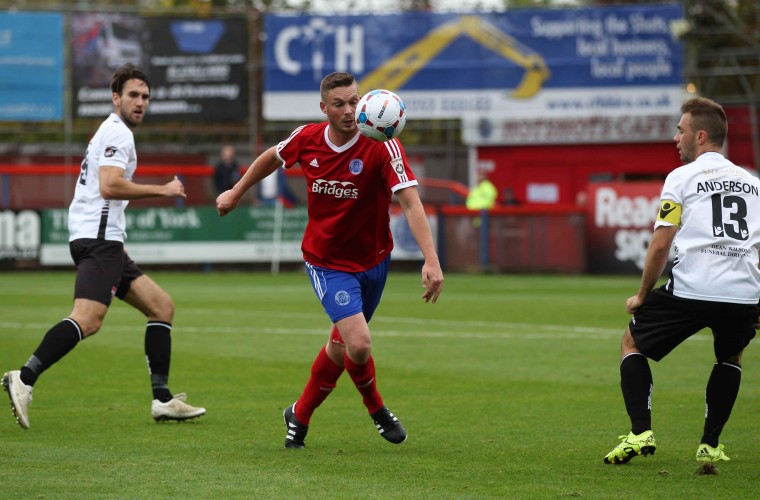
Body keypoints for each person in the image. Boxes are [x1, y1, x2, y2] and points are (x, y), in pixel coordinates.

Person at [216, 72, 444, 449]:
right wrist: (237, 192)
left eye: (354, 102)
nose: (350, 110)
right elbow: (272, 157)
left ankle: (299, 415)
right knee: (359, 342)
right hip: (327, 262)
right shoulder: (307, 138)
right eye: (339, 104)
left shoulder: (383, 145)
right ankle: (377, 409)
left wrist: (431, 260)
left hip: (374, 260)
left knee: (340, 347)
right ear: (324, 108)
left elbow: (411, 201)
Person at [2, 64, 205, 429]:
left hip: (104, 239)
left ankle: (162, 400)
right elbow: (110, 185)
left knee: (161, 306)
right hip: (99, 241)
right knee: (88, 319)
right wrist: (163, 189)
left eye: (145, 97)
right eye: (133, 95)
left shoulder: (114, 132)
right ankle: (25, 377)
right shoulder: (118, 134)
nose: (140, 102)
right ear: (116, 98)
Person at [603, 96, 760, 465]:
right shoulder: (753, 184)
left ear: (700, 136)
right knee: (730, 355)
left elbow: (661, 244)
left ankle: (640, 432)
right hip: (743, 291)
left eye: (681, 130)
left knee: (631, 342)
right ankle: (710, 444)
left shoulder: (681, 178)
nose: (676, 138)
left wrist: (642, 294)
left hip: (693, 287)